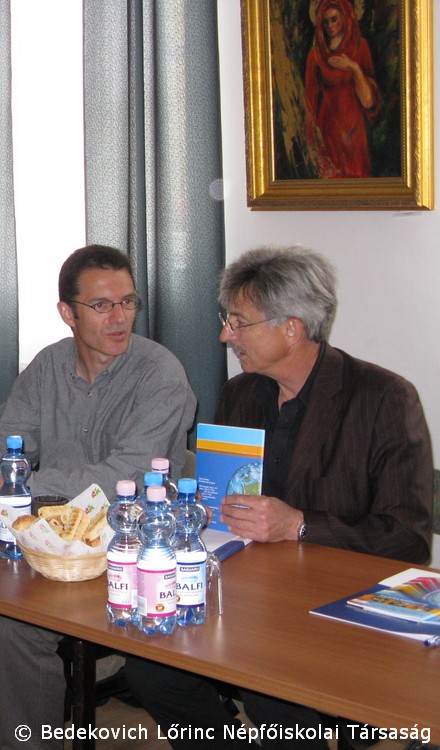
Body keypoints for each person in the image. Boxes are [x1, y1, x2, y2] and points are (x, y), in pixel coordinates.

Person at [124, 246, 434, 749]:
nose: (225, 336)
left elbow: (409, 538)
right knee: (150, 668)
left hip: (339, 601)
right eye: (227, 320)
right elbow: (220, 500)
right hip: (250, 594)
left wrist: (298, 525)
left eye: (239, 323)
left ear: (292, 329)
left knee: (272, 693)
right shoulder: (241, 393)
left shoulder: (383, 399)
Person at [0, 244, 197, 750]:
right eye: (102, 305)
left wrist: (15, 482)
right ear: (68, 313)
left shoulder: (160, 374)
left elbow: (125, 475)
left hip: (126, 551)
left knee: (16, 625)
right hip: (46, 542)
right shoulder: (48, 365)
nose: (119, 318)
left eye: (128, 302)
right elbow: (5, 436)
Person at [304, 0, 380, 178]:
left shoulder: (359, 47)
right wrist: (312, 141)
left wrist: (354, 68)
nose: (330, 26)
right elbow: (309, 102)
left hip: (354, 130)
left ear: (345, 17)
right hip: (328, 129)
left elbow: (369, 101)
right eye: (325, 22)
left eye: (334, 19)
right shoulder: (315, 56)